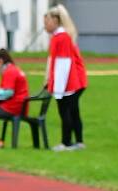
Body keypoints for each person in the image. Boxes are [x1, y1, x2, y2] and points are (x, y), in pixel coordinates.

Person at [44, 4, 87, 151]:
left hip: (70, 83)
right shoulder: (61, 37)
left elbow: (63, 64)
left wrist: (58, 89)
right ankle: (78, 142)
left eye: (47, 21)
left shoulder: (61, 38)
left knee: (66, 111)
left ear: (56, 20)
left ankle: (66, 142)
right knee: (72, 111)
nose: (45, 25)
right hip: (72, 81)